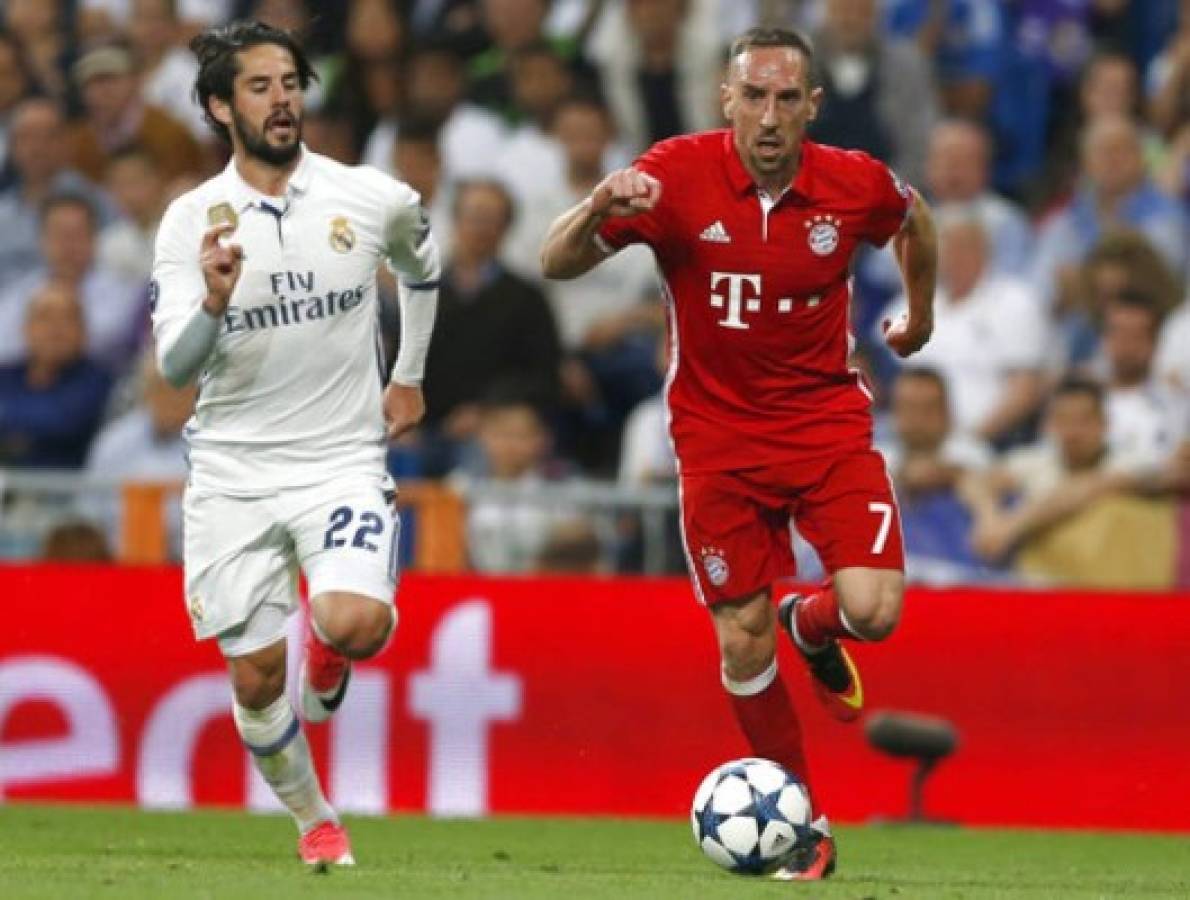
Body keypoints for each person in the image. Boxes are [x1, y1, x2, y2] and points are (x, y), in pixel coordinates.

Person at [541, 26, 937, 880]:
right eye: (752, 96)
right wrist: (597, 209)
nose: (768, 115)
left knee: (875, 610)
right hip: (717, 445)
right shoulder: (674, 176)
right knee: (743, 642)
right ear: (727, 99)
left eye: (786, 98)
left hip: (827, 430)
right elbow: (554, 261)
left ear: (811, 107)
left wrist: (921, 314)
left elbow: (915, 219)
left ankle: (815, 620)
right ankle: (805, 822)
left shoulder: (852, 183)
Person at [150, 20, 439, 868]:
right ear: (218, 106)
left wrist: (409, 374)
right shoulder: (189, 222)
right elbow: (174, 368)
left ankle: (329, 656)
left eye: (291, 83)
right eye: (259, 87)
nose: (283, 100)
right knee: (253, 682)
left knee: (355, 625)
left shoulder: (371, 196)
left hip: (340, 460)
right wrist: (210, 302)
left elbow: (421, 270)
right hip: (233, 474)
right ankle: (315, 817)